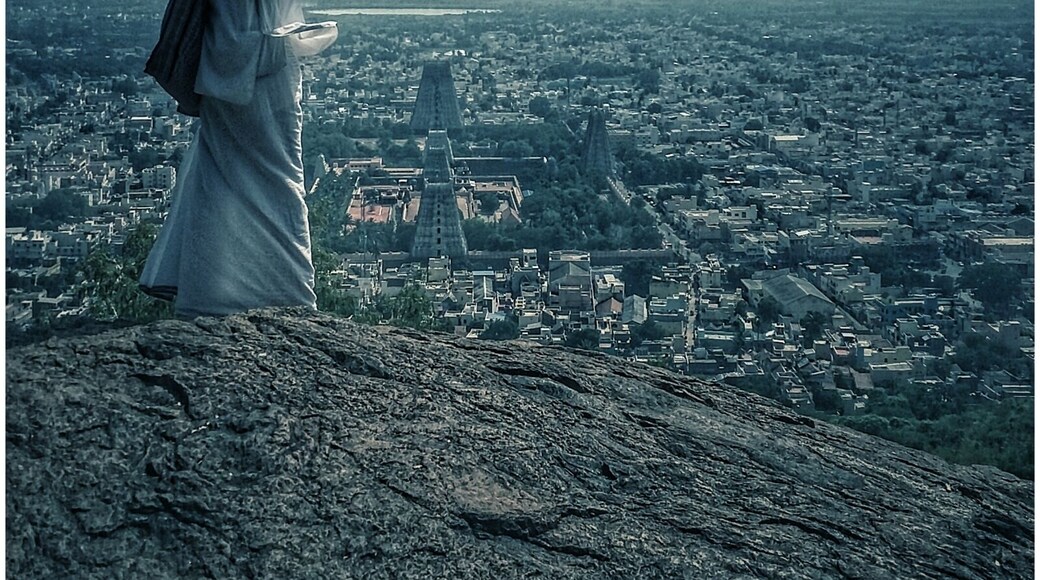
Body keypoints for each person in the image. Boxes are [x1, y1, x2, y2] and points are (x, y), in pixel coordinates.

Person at [140, 0, 336, 318]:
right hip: (262, 63)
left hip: (224, 61)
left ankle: (209, 293)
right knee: (278, 179)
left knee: (219, 175)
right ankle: (287, 291)